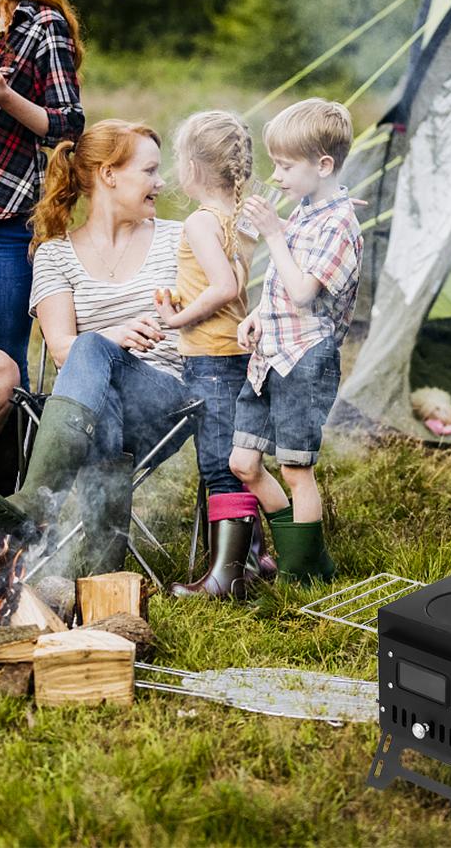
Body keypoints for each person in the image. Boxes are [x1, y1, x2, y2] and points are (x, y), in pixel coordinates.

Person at [0, 120, 194, 574]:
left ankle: (35, 506)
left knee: (91, 351)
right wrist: (114, 337)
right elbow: (61, 347)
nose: (159, 182)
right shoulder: (54, 253)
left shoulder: (178, 239)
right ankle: (102, 571)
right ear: (109, 174)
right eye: (148, 171)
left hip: (163, 400)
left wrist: (108, 342)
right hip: (89, 413)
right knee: (92, 369)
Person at [229, 98, 362, 583]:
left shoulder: (341, 224)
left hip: (307, 359)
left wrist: (271, 235)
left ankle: (301, 574)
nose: (277, 176)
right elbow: (284, 286)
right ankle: (307, 559)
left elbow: (304, 291)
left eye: (285, 166)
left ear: (323, 165)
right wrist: (260, 314)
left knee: (295, 470)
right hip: (272, 355)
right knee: (243, 462)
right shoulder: (308, 209)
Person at [156, 111, 277, 598]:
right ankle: (251, 558)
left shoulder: (202, 221)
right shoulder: (241, 214)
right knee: (233, 454)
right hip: (235, 355)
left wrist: (177, 320)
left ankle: (225, 580)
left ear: (192, 165)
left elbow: (225, 287)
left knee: (217, 464)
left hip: (211, 358)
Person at [0, 0, 84, 391]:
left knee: (4, 364)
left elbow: (69, 124)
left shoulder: (40, 23)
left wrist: (6, 96)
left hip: (7, 222)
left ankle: (12, 471)